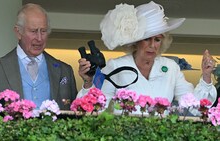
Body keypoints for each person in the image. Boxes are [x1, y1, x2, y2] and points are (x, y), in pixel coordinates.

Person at [77, 1, 217, 115]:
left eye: (157, 40)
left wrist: (206, 76)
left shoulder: (171, 68)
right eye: (147, 39)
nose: (152, 45)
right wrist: (89, 81)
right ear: (136, 41)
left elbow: (195, 107)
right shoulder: (116, 66)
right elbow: (96, 107)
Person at [0, 3, 77, 110]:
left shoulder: (65, 70)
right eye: (33, 31)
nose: (39, 38)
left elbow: (76, 116)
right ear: (18, 32)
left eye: (43, 31)